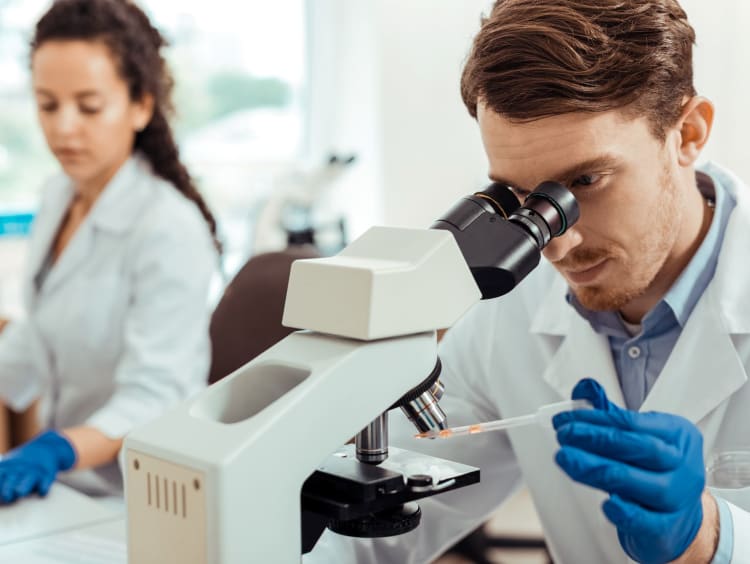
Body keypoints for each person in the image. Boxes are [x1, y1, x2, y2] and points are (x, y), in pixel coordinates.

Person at [307, 1, 750, 562]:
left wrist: (711, 535)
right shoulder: (512, 311)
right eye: (522, 198)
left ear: (688, 132)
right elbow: (382, 527)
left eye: (585, 180)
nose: (556, 244)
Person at [0, 0, 219, 500]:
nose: (63, 128)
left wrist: (52, 449)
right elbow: (38, 336)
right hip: (67, 490)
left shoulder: (168, 228)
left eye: (89, 106)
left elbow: (154, 397)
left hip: (144, 498)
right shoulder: (58, 196)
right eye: (48, 104)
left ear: (141, 104)